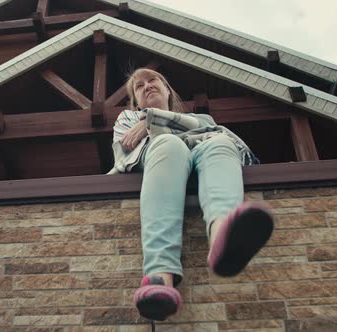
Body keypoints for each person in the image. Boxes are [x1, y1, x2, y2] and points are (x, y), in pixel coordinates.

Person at [108, 68, 274, 321]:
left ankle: (223, 234)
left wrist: (151, 122)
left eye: (152, 80)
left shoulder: (202, 119)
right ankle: (159, 275)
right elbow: (127, 144)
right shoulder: (127, 118)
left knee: (220, 143)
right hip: (163, 154)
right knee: (169, 143)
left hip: (203, 147)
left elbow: (212, 130)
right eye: (139, 87)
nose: (147, 86)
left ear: (166, 89)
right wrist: (151, 123)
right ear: (136, 101)